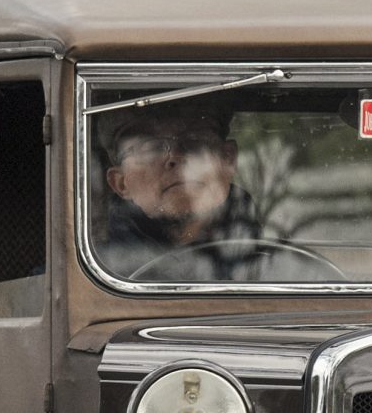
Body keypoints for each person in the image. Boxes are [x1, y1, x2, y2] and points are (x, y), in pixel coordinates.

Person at [94, 107, 333, 283]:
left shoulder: (292, 272)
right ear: (120, 183)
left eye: (195, 143)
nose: (175, 157)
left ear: (228, 160)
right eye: (151, 148)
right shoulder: (101, 271)